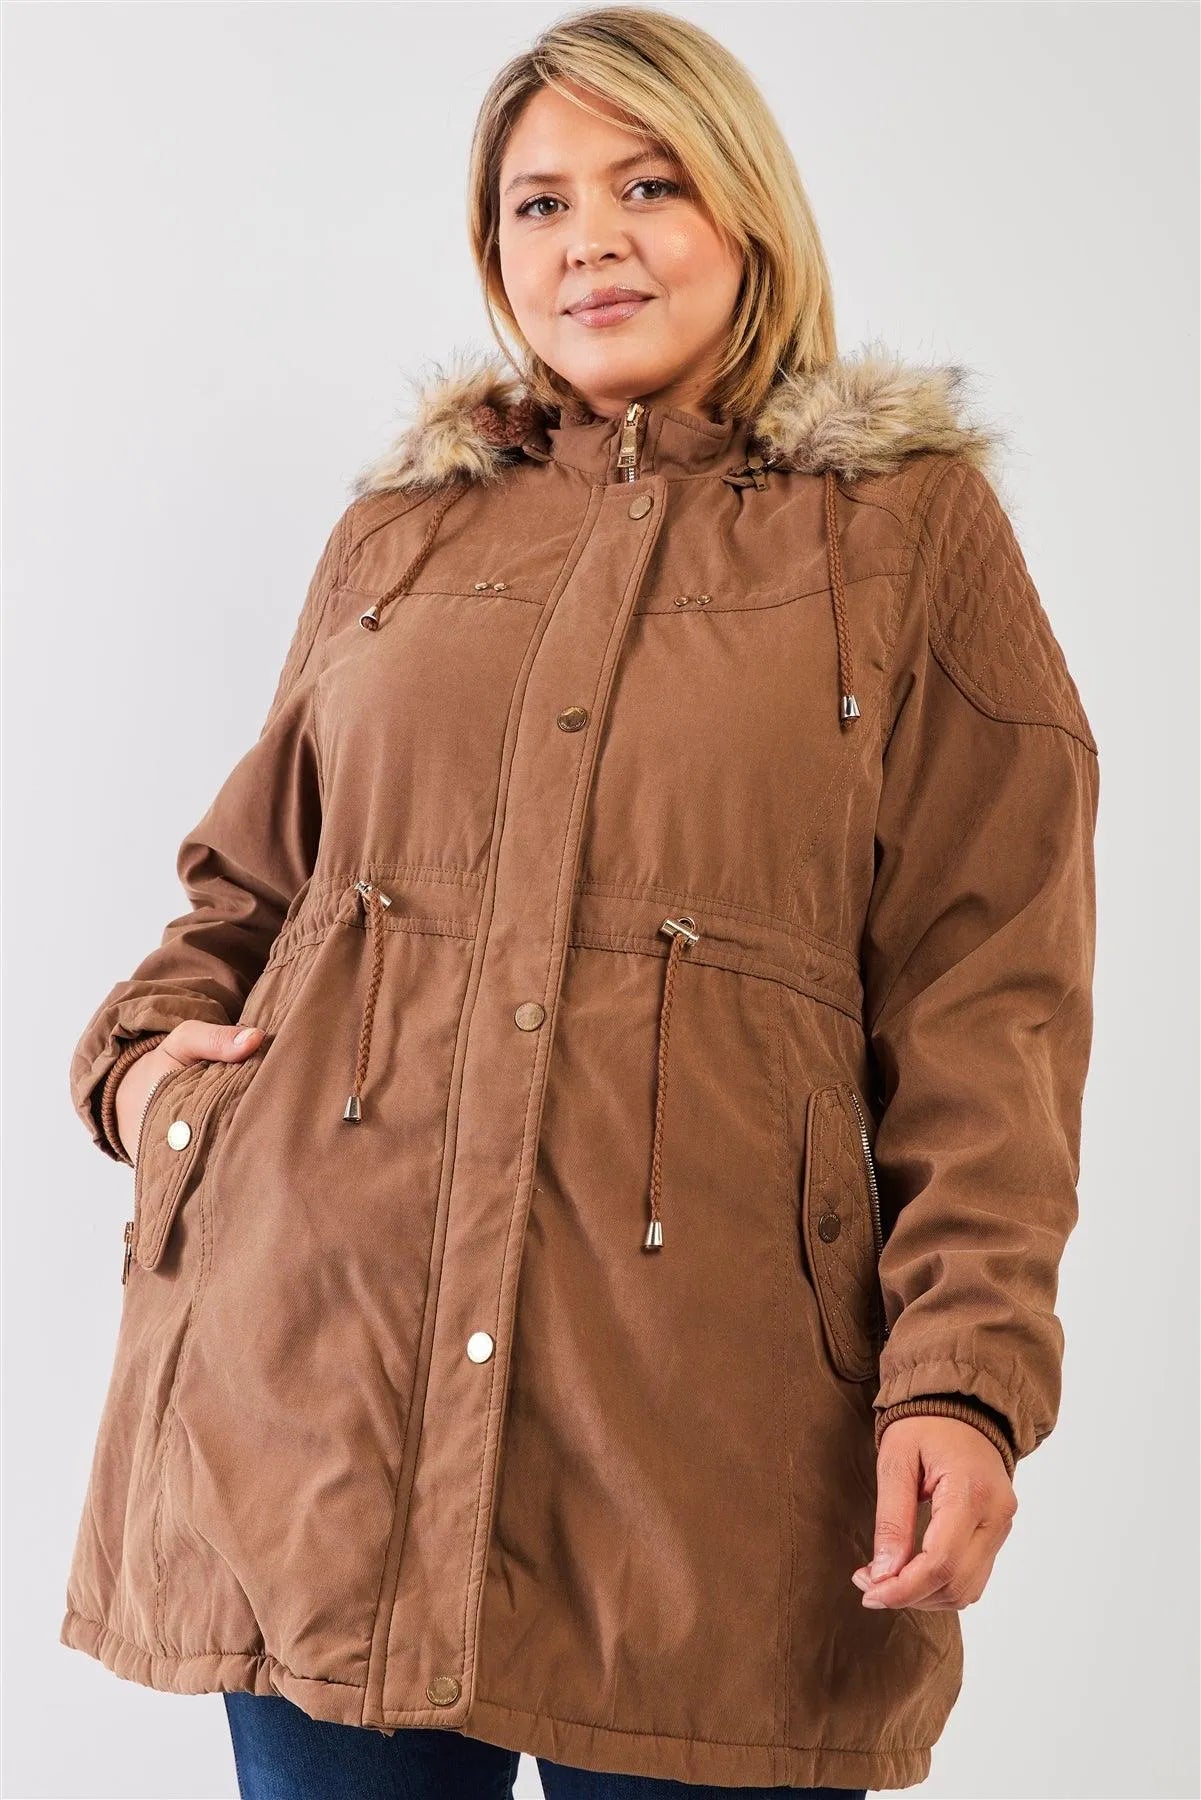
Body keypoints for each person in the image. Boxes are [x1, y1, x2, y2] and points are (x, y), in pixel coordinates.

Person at [59, 7, 1100, 1798]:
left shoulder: (905, 535)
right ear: (493, 251)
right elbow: (249, 887)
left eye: (647, 185)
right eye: (537, 204)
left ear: (749, 212)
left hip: (703, 1426)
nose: (588, 241)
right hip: (320, 1384)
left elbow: (986, 995)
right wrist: (149, 1070)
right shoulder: (402, 534)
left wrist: (962, 1374)